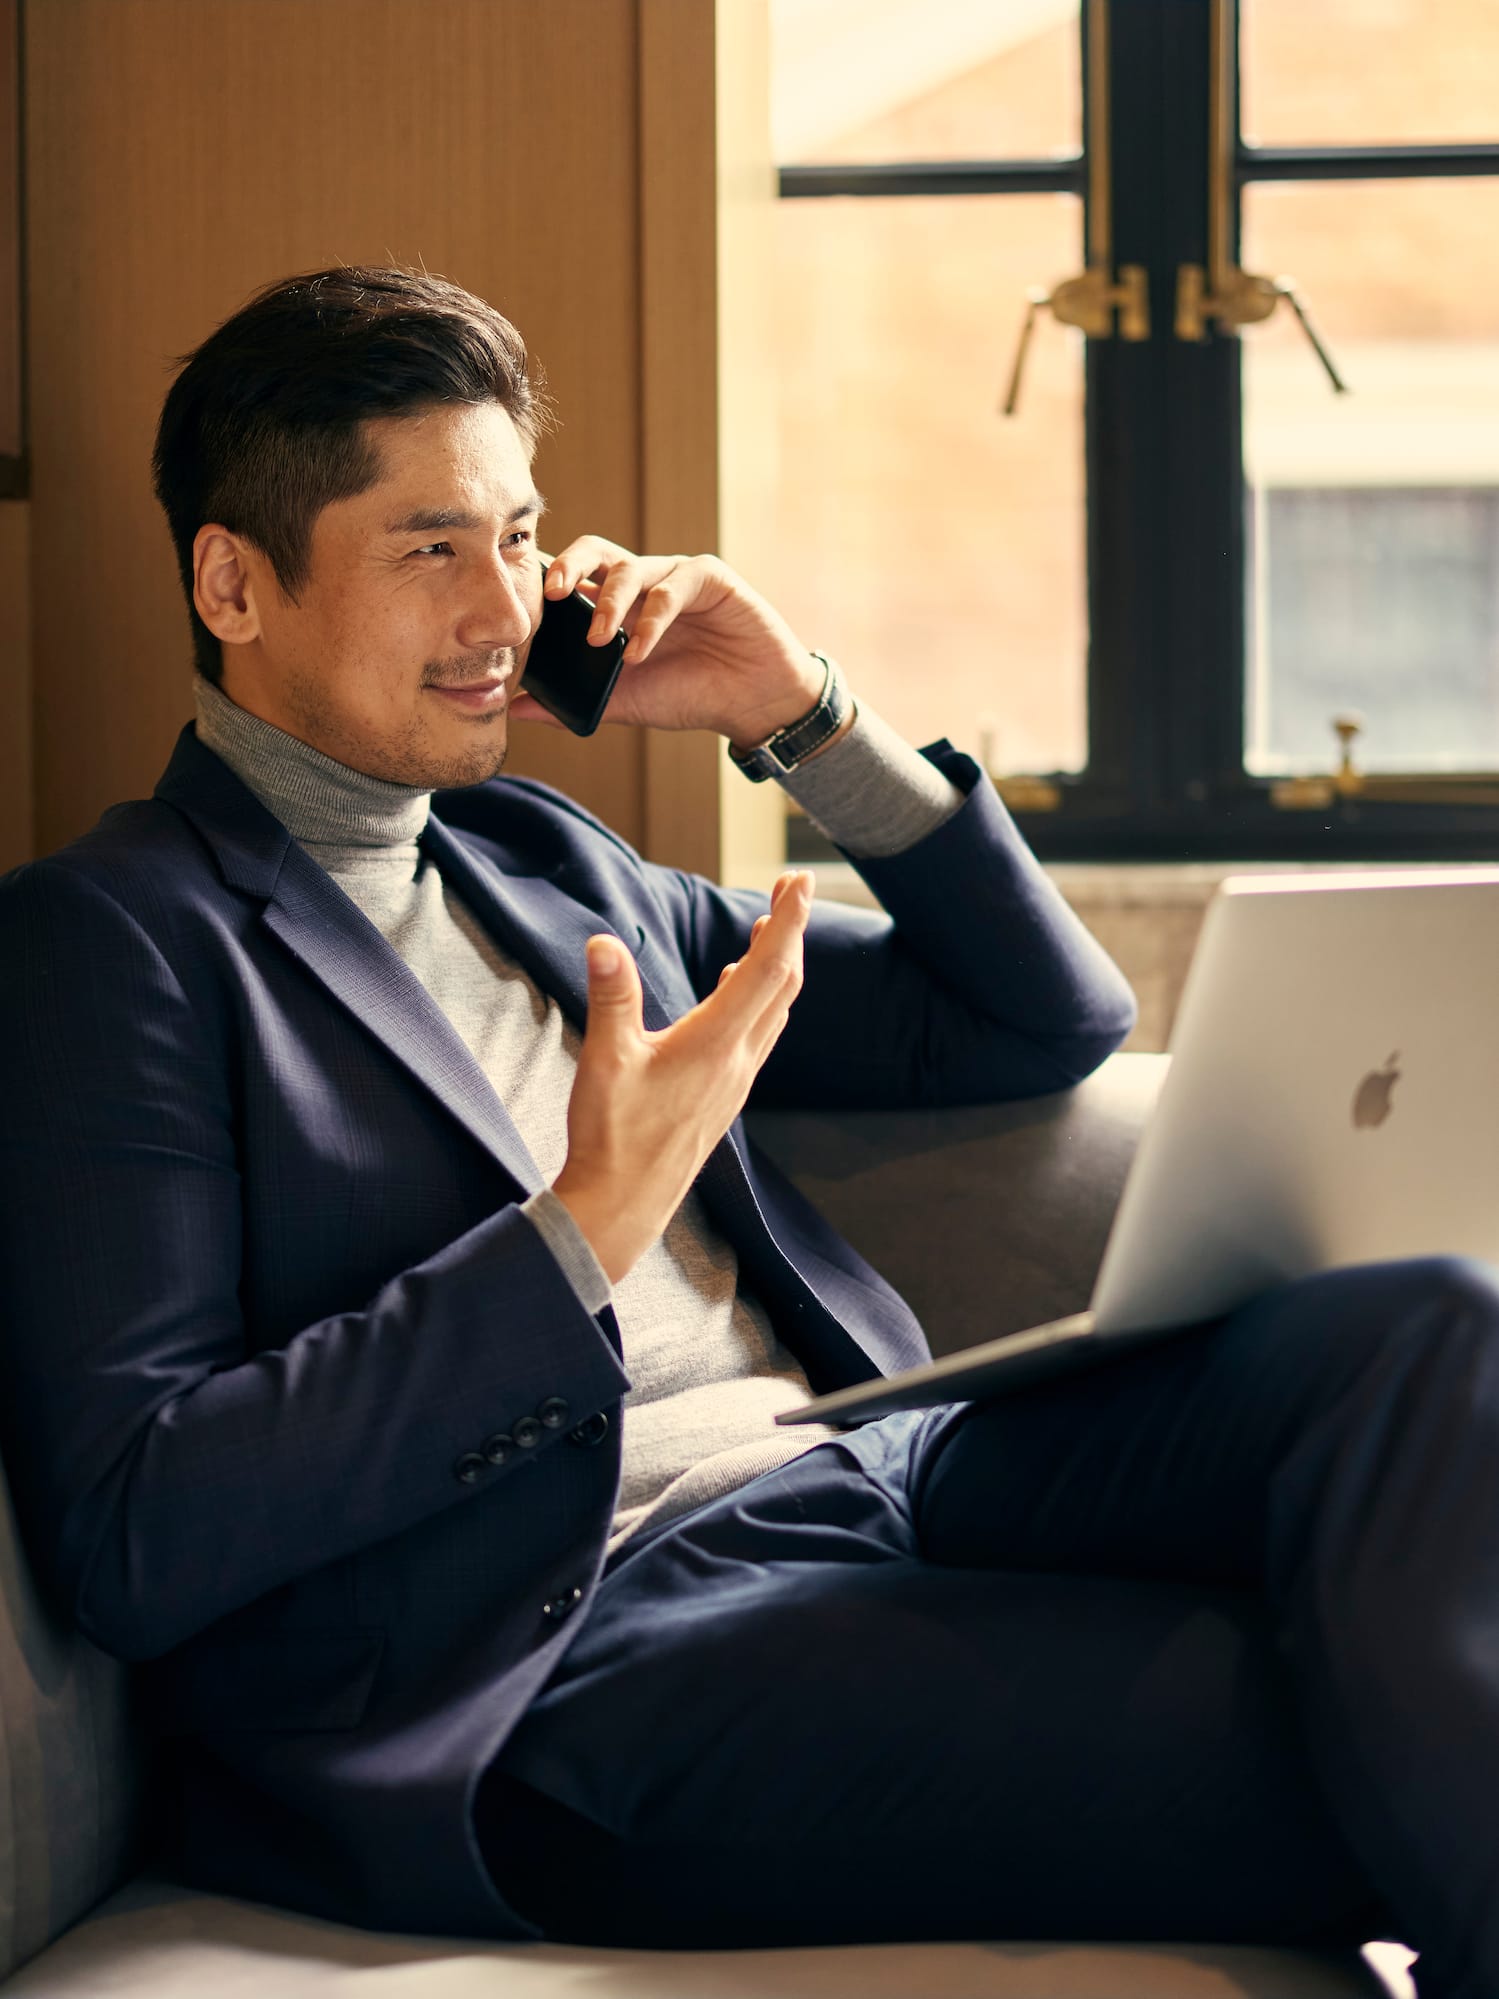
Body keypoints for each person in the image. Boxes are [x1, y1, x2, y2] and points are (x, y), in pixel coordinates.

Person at [0, 265, 1494, 1999]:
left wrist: (808, 720)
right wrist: (579, 1235)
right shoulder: (109, 945)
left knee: (1431, 1328)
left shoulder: (538, 862)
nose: (505, 607)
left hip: (876, 1465)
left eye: (521, 532)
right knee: (1333, 1713)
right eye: (431, 548)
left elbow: (1039, 1017)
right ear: (232, 580)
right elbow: (138, 1523)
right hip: (576, 1657)